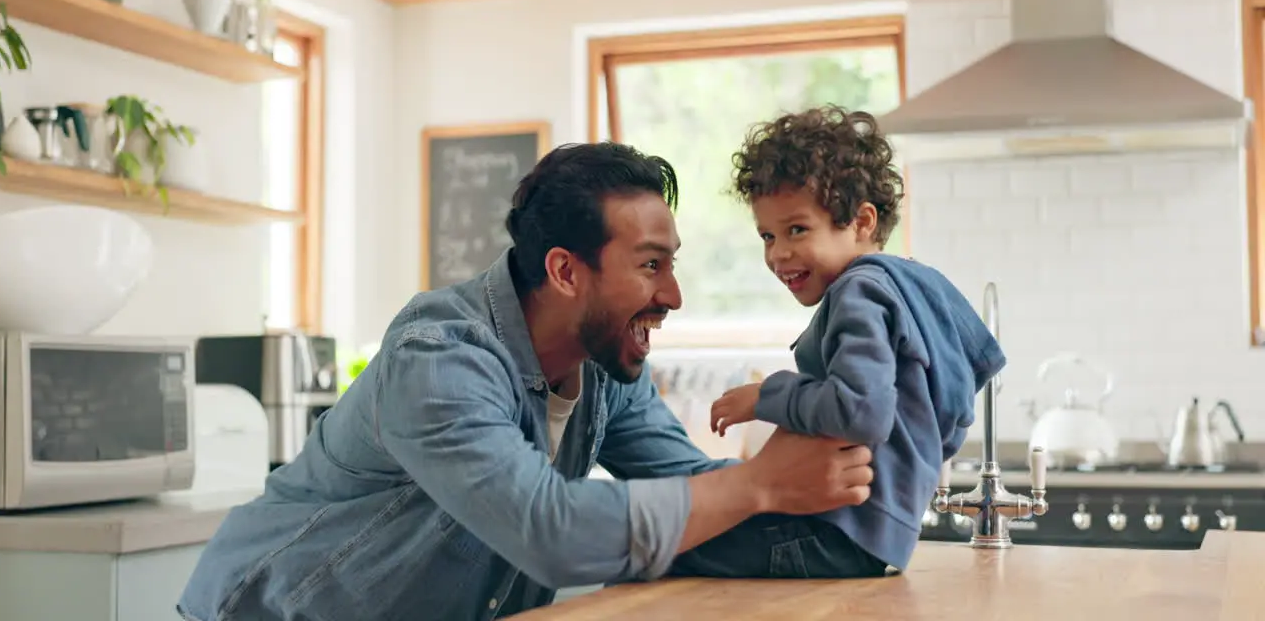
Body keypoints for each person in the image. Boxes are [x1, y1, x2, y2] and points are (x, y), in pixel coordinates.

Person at [177, 141, 875, 621]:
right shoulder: (440, 357)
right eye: (651, 266)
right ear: (567, 272)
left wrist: (846, 509)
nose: (674, 296)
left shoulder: (606, 366)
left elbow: (691, 491)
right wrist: (760, 483)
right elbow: (547, 529)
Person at [705, 105, 1004, 575]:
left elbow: (860, 412)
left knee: (665, 541)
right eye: (766, 235)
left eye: (797, 229)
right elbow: (958, 399)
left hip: (831, 527)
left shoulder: (858, 291)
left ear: (862, 223)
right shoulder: (913, 285)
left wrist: (767, 396)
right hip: (869, 536)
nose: (778, 253)